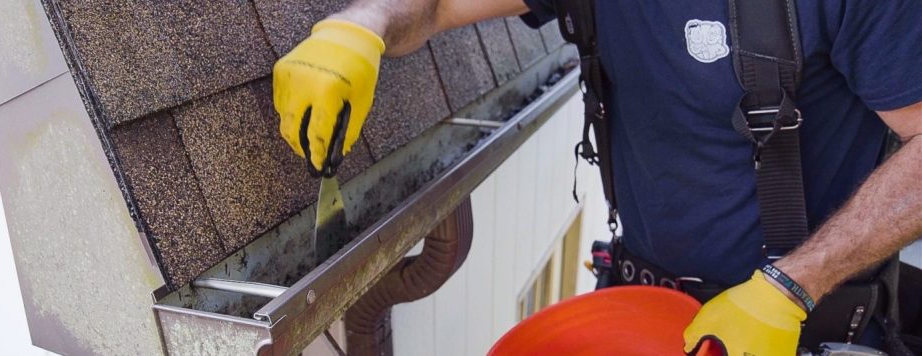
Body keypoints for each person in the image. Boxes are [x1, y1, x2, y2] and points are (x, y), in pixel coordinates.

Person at [272, 0, 922, 354]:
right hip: (639, 316)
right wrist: (361, 26)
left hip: (797, 331)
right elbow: (437, 5)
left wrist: (790, 289)